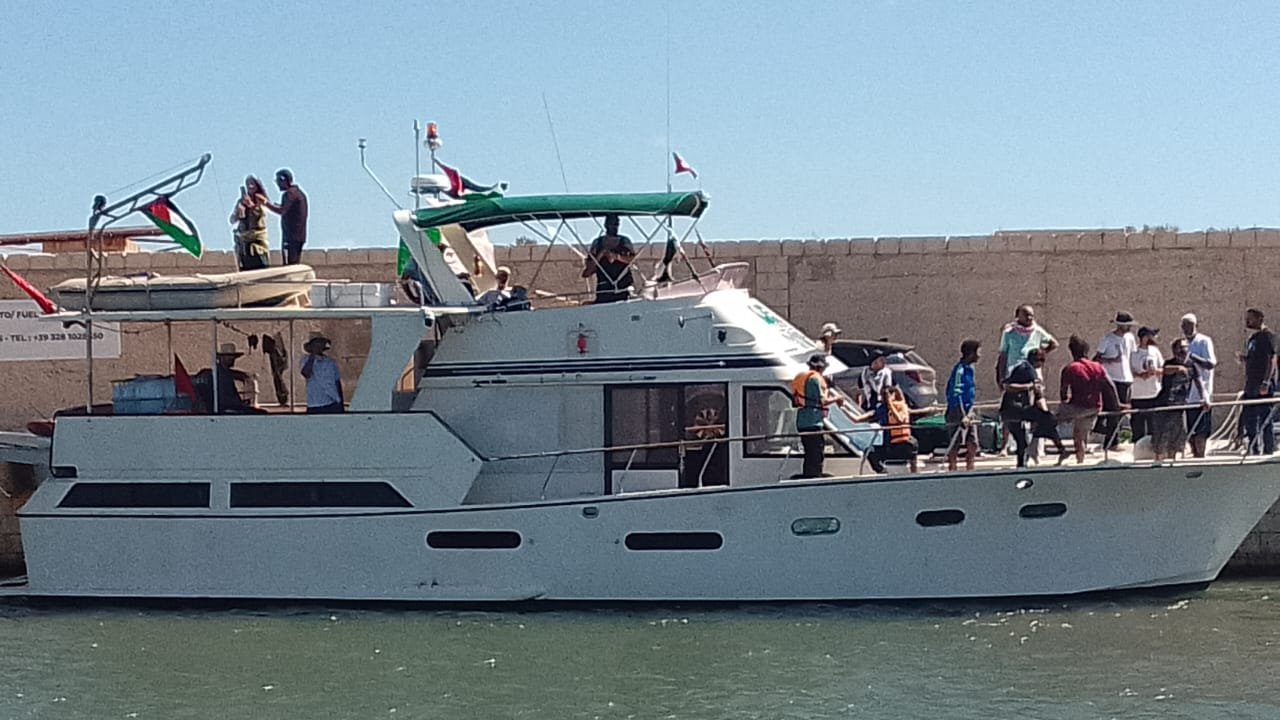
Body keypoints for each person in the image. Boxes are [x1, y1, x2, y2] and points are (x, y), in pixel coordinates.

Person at [1057, 335, 1122, 464]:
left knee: (1047, 420)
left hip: (1077, 407)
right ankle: (1080, 460)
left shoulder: (1070, 368)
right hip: (1095, 407)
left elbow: (1063, 391)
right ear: (1087, 351)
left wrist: (1065, 402)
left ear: (1071, 351)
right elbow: (1110, 385)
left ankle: (1059, 446)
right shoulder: (1097, 367)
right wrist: (1117, 404)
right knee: (1079, 433)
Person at [1000, 348, 1068, 467]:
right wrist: (1029, 386)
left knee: (1022, 441)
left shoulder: (1024, 368)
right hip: (1016, 409)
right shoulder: (1027, 369)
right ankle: (1059, 448)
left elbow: (1037, 395)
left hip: (1011, 410)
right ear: (1039, 361)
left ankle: (1021, 466)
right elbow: (1007, 386)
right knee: (1048, 419)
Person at [1150, 338, 1208, 462]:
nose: (1182, 350)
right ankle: (1158, 464)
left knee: (1175, 440)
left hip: (1179, 407)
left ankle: (1172, 463)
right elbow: (1164, 370)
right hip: (1164, 406)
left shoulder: (1192, 365)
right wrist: (1177, 368)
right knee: (1161, 441)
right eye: (1179, 348)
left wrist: (1204, 398)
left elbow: (1199, 382)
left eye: (1185, 347)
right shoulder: (1169, 363)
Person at [791, 353, 844, 478]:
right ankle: (813, 478)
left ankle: (809, 476)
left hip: (802, 421)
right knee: (816, 454)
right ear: (820, 368)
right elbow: (823, 401)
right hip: (813, 422)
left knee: (809, 454)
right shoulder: (816, 379)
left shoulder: (801, 378)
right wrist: (837, 398)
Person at [1095, 311, 1138, 449]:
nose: (1129, 328)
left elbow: (1132, 355)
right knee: (1113, 410)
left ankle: (1113, 438)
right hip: (1112, 378)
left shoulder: (1130, 338)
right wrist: (1111, 360)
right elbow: (1096, 358)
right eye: (1127, 325)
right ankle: (1110, 441)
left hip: (1126, 378)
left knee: (1121, 411)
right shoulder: (1107, 339)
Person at [1239, 308, 1277, 455]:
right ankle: (1253, 448)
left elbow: (1270, 359)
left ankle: (1268, 449)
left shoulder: (1267, 336)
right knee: (1249, 417)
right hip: (1251, 384)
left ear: (1260, 318)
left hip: (1262, 385)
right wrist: (1245, 359)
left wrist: (1266, 382)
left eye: (1250, 318)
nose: (1247, 321)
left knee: (1264, 417)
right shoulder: (1253, 339)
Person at [996, 304, 1059, 389]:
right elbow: (1003, 355)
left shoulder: (1037, 331)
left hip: (1033, 371)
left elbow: (1054, 343)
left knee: (1038, 396)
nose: (1029, 318)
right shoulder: (1009, 332)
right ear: (1018, 316)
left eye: (1031, 315)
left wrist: (1041, 353)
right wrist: (1001, 376)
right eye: (1026, 315)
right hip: (1014, 371)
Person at [1181, 313, 1217, 457]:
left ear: (1196, 325)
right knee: (1191, 431)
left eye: (1190, 325)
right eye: (1184, 325)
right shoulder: (1182, 343)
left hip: (1202, 394)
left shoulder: (1204, 341)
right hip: (1187, 396)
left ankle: (1201, 456)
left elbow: (1210, 364)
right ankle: (1194, 455)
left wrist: (1192, 357)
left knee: (1202, 430)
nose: (1187, 328)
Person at [581, 214, 635, 303]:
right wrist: (601, 254)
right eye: (611, 224)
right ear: (606, 225)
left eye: (616, 224)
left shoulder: (625, 241)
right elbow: (588, 271)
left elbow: (632, 259)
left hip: (623, 287)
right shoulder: (597, 243)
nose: (614, 227)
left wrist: (616, 257)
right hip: (604, 288)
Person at [944, 339, 981, 471]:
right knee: (956, 442)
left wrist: (970, 411)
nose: (979, 355)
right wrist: (962, 415)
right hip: (957, 410)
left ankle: (970, 468)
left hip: (969, 410)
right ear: (971, 353)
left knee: (973, 442)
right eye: (978, 352)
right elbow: (956, 393)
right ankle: (952, 468)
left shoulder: (970, 369)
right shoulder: (959, 370)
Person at [866, 385, 920, 473]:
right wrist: (843, 407)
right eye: (883, 395)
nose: (884, 397)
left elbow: (900, 419)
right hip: (890, 445)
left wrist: (891, 404)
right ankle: (883, 471)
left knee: (912, 443)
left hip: (903, 444)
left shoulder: (900, 406)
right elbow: (857, 419)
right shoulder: (881, 409)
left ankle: (914, 473)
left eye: (886, 395)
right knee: (870, 452)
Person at [264, 168, 308, 265]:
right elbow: (288, 209)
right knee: (294, 264)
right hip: (299, 236)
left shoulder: (289, 194)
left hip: (290, 238)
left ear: (284, 180)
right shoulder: (299, 193)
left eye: (278, 181)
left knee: (289, 266)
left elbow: (282, 211)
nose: (277, 184)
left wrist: (265, 204)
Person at [1129, 326, 1164, 444]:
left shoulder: (1155, 352)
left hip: (1153, 394)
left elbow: (1163, 369)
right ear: (1144, 338)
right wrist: (1140, 375)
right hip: (1137, 395)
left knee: (1153, 427)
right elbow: (1128, 371)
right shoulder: (1133, 353)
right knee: (1137, 428)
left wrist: (1154, 372)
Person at [229, 175, 270, 271]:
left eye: (252, 184)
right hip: (244, 239)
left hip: (257, 239)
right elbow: (232, 220)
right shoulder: (241, 201)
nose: (250, 186)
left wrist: (251, 205)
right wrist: (238, 213)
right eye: (248, 184)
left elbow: (262, 213)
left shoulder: (260, 199)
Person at [301, 333, 344, 414]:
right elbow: (306, 373)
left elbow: (337, 382)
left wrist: (340, 402)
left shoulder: (331, 362)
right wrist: (313, 355)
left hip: (332, 402)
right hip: (315, 404)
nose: (318, 346)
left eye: (320, 344)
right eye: (316, 344)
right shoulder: (305, 360)